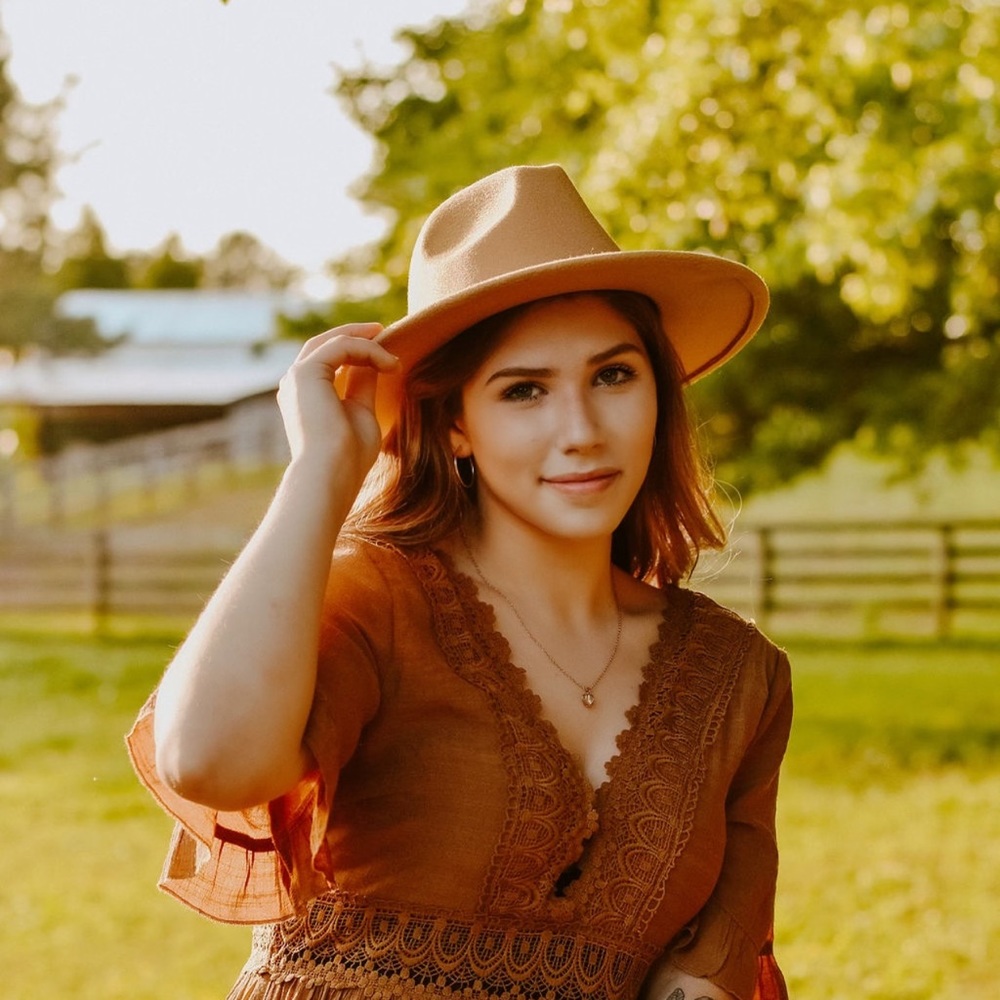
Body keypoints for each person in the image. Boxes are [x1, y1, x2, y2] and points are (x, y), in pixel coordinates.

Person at [127, 164, 792, 1000]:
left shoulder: (741, 677)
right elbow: (209, 760)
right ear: (455, 425)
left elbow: (713, 973)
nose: (581, 431)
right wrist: (321, 474)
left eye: (614, 375)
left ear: (659, 390)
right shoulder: (378, 602)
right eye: (524, 391)